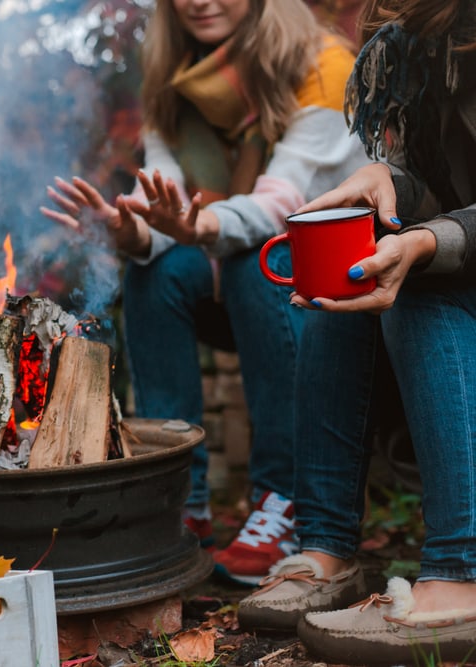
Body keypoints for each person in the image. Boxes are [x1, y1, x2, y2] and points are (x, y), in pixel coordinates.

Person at [42, 0, 371, 586]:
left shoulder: (324, 65)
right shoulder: (172, 86)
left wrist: (193, 229)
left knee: (253, 259)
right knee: (154, 271)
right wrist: (129, 231)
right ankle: (178, 501)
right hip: (233, 265)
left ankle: (284, 498)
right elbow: (169, 213)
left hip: (334, 277)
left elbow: (282, 207)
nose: (200, 1)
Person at [237, 0, 476, 661]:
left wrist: (430, 239)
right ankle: (327, 546)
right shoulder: (417, 48)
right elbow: (443, 187)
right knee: (346, 278)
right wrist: (388, 178)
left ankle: (463, 574)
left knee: (417, 286)